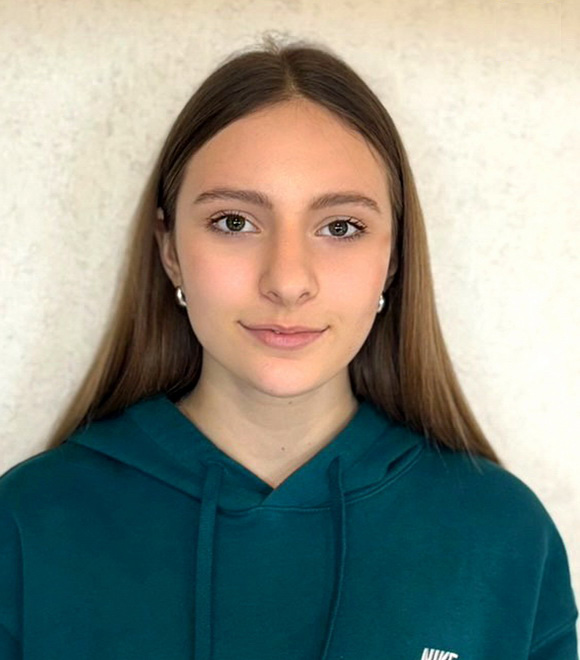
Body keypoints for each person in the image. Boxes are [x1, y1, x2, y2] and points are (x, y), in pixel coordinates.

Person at [0, 35, 577, 660]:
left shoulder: (501, 535)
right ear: (169, 250)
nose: (288, 281)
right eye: (234, 222)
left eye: (341, 227)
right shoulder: (28, 524)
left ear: (392, 258)